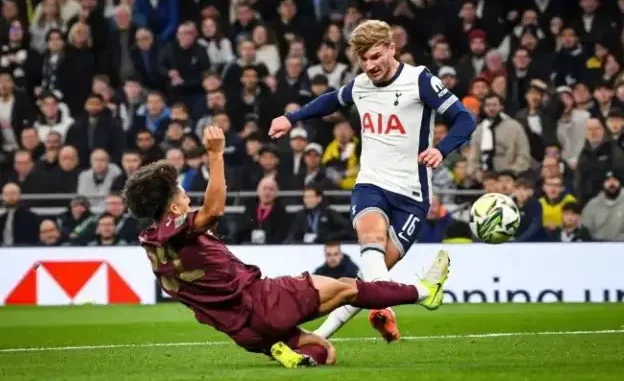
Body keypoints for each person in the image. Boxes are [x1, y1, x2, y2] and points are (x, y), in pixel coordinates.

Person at [124, 126, 451, 368]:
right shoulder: (176, 230)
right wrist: (215, 154)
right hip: (262, 301)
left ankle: (288, 354)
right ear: (174, 209)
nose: (186, 196)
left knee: (325, 352)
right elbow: (214, 211)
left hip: (244, 332)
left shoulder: (152, 245)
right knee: (349, 288)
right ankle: (424, 291)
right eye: (181, 194)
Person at [269, 20, 475, 342]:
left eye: (376, 56)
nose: (370, 66)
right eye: (363, 60)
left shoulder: (418, 80)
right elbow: (330, 101)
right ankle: (390, 308)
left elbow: (465, 118)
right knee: (371, 237)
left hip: (411, 194)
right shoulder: (361, 84)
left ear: (392, 48)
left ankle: (327, 333)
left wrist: (441, 149)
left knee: (368, 281)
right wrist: (291, 118)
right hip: (371, 184)